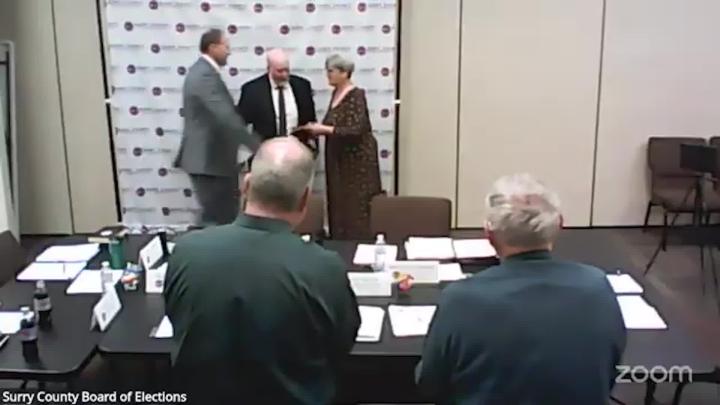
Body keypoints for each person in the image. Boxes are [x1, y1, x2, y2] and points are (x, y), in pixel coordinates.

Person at [164, 137, 360, 404]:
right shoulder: (325, 268)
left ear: (245, 186)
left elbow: (178, 323)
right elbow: (340, 346)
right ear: (305, 199)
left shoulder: (186, 251)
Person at [416, 174, 627, 405]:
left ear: (489, 235)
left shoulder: (460, 299)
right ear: (559, 225)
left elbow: (429, 384)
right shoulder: (596, 285)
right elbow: (609, 369)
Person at [174, 29, 261, 226]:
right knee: (218, 219)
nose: (229, 51)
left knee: (219, 217)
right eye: (226, 47)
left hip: (213, 161)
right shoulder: (204, 75)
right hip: (209, 161)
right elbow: (226, 117)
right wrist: (258, 147)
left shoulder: (205, 73)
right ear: (212, 47)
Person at [299, 54, 382, 240]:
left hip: (356, 162)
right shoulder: (336, 93)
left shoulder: (356, 95)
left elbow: (356, 129)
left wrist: (323, 129)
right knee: (338, 202)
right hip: (338, 160)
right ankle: (339, 240)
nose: (328, 75)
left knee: (355, 205)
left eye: (331, 71)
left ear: (344, 73)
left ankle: (357, 242)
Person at [236, 48, 317, 151]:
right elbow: (242, 122)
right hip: (265, 151)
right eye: (280, 71)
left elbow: (310, 120)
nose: (284, 75)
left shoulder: (302, 86)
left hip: (298, 150)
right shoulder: (252, 90)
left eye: (287, 70)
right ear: (269, 68)